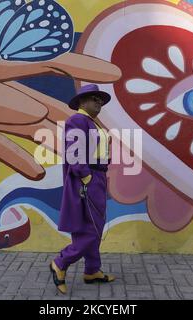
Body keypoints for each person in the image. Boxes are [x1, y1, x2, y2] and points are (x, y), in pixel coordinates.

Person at [50, 84, 115, 294]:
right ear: (81, 102)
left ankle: (92, 270)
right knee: (91, 228)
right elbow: (74, 152)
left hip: (96, 176)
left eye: (100, 99)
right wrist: (86, 176)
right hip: (88, 178)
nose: (99, 102)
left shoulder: (91, 122)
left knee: (92, 225)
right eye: (94, 98)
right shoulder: (77, 120)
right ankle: (61, 262)